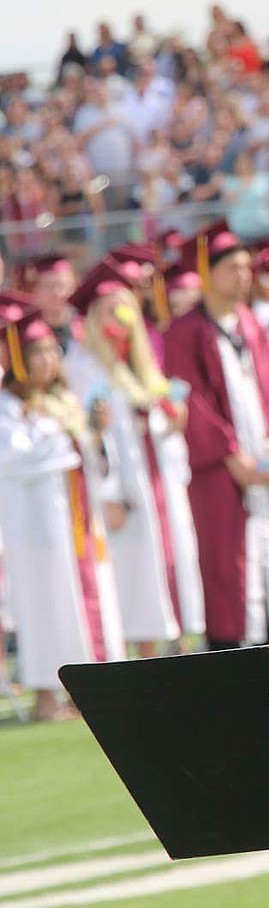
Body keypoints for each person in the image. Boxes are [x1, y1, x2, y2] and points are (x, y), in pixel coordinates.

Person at [163, 226, 269, 649]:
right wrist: (230, 456)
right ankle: (230, 646)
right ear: (208, 272)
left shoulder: (251, 325)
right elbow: (193, 400)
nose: (245, 275)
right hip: (220, 471)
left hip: (263, 462)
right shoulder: (185, 331)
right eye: (234, 268)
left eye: (247, 267)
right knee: (227, 558)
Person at [68, 260, 204, 649]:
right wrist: (107, 494)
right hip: (121, 490)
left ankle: (172, 647)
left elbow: (156, 426)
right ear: (94, 318)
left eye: (124, 308)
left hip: (157, 482)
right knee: (132, 575)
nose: (120, 318)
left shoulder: (142, 366)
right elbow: (89, 438)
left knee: (167, 562)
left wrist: (172, 422)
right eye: (110, 310)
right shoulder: (85, 368)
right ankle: (141, 656)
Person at [0, 297, 125, 719]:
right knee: (41, 603)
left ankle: (77, 686)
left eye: (53, 350)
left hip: (74, 521)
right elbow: (14, 459)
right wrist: (73, 440)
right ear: (15, 358)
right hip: (33, 525)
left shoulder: (62, 403)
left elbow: (85, 456)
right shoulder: (8, 409)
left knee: (77, 599)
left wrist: (95, 434)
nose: (49, 360)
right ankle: (45, 696)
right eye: (37, 352)